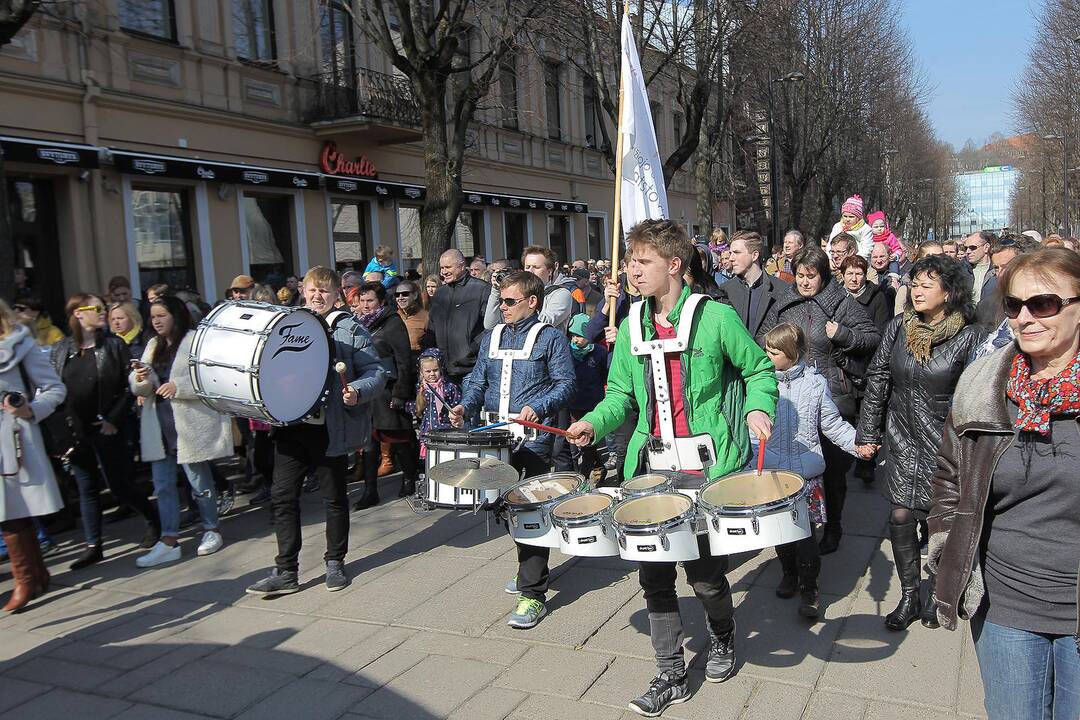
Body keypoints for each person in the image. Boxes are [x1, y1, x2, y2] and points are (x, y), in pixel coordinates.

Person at [567, 219, 777, 717]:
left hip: (706, 468)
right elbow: (619, 395)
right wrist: (594, 424)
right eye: (630, 261)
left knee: (705, 576)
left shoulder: (716, 317)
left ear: (674, 265)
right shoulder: (631, 325)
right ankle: (670, 671)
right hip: (651, 467)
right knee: (654, 575)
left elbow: (758, 368)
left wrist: (757, 407)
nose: (631, 271)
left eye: (642, 262)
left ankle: (723, 635)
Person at [928, 248, 1080, 720]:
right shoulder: (983, 383)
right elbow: (950, 476)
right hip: (1005, 604)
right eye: (1014, 306)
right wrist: (944, 547)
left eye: (1044, 304)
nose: (1025, 318)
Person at [856, 255, 984, 631]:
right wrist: (868, 434)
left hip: (945, 444)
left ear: (950, 292)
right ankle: (910, 594)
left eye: (928, 284)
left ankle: (937, 592)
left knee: (938, 520)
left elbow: (975, 396)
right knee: (899, 515)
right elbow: (878, 378)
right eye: (914, 283)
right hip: (902, 437)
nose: (917, 291)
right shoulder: (899, 327)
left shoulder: (970, 336)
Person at [246, 267, 386, 597]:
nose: (317, 296)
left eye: (325, 291)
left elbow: (376, 372)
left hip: (329, 428)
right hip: (291, 428)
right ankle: (286, 570)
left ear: (337, 294)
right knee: (282, 498)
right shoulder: (288, 326)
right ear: (304, 292)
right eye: (312, 290)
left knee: (334, 499)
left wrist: (356, 390)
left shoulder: (349, 329)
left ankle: (335, 561)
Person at [449, 270, 576, 631]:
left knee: (527, 510)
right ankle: (530, 567)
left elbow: (567, 384)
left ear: (532, 302)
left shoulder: (550, 338)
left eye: (509, 301)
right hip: (492, 435)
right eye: (501, 300)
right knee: (499, 507)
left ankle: (532, 592)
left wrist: (539, 406)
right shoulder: (492, 337)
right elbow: (477, 380)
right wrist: (465, 405)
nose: (502, 307)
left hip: (532, 437)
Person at [759, 245, 881, 555]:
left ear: (823, 275)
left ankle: (834, 525)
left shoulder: (841, 302)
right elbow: (762, 337)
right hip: (790, 396)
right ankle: (795, 530)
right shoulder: (785, 303)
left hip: (834, 396)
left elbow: (871, 337)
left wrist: (843, 334)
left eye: (810, 276)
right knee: (795, 468)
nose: (803, 282)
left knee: (833, 470)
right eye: (799, 275)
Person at [759, 323, 862, 619]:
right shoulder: (762, 384)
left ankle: (809, 587)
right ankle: (788, 574)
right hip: (775, 474)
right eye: (767, 350)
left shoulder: (815, 384)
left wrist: (858, 445)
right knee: (781, 533)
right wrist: (755, 466)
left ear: (790, 354)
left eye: (774, 352)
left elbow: (832, 424)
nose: (767, 356)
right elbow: (754, 433)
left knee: (805, 536)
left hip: (805, 475)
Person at [51, 293, 160, 570]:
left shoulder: (113, 346)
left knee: (119, 484)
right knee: (86, 487)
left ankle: (153, 519)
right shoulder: (61, 348)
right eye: (96, 309)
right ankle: (93, 546)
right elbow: (54, 389)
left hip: (108, 426)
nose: (103, 313)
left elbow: (127, 388)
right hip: (76, 429)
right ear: (78, 313)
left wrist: (113, 418)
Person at [130, 296, 230, 567]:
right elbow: (141, 387)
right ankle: (169, 540)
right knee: (163, 486)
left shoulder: (194, 340)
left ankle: (211, 529)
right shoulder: (153, 345)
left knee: (199, 483)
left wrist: (179, 387)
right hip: (159, 426)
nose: (157, 321)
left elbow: (210, 378)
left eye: (162, 315)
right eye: (153, 316)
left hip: (188, 425)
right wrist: (140, 379)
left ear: (175, 314)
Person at [0, 299, 66, 613]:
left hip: (16, 438)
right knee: (9, 512)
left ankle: (25, 580)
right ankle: (36, 574)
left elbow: (54, 388)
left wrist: (30, 410)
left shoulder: (21, 344)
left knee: (12, 511)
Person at [348, 282, 418, 504]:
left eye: (370, 300)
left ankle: (409, 478)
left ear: (381, 301)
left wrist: (400, 394)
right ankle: (370, 491)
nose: (365, 305)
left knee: (398, 440)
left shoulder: (392, 323)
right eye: (362, 300)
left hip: (389, 391)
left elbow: (404, 360)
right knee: (368, 444)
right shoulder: (358, 324)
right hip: (367, 392)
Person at [423, 249, 491, 386]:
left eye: (448, 267)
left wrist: (471, 350)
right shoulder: (439, 294)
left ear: (461, 266)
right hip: (444, 369)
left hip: (472, 369)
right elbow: (432, 327)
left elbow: (490, 327)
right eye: (441, 268)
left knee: (468, 407)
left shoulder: (482, 289)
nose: (443, 272)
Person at [553, 313, 608, 480]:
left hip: (592, 404)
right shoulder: (567, 352)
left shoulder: (599, 352)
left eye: (580, 335)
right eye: (573, 335)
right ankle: (589, 470)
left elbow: (604, 374)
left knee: (587, 442)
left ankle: (584, 474)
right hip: (573, 404)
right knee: (576, 442)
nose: (575, 339)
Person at [715, 230, 789, 339]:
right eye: (731, 253)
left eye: (737, 252)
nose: (731, 258)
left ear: (754, 255)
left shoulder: (781, 290)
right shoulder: (725, 291)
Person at [484, 246, 576, 333]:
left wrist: (520, 302)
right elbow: (490, 325)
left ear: (549, 271)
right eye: (527, 267)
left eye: (536, 267)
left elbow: (543, 323)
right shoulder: (516, 293)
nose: (530, 271)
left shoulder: (561, 294)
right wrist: (496, 289)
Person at [409, 349, 461, 461]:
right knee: (430, 460)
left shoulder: (450, 387)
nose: (432, 374)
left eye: (435, 370)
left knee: (445, 459)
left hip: (446, 432)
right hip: (427, 432)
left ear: (441, 369)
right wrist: (405, 405)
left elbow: (456, 405)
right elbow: (417, 408)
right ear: (421, 372)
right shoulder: (420, 388)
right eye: (428, 371)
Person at [840, 255, 893, 331]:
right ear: (843, 276)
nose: (854, 279)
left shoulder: (878, 297)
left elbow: (882, 330)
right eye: (850, 274)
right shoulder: (835, 296)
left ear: (865, 277)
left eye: (858, 274)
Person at [828, 195, 874, 259]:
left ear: (858, 218)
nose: (847, 219)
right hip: (837, 257)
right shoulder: (838, 226)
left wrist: (855, 260)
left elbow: (867, 248)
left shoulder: (865, 229)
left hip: (857, 259)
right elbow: (830, 244)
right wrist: (830, 258)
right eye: (845, 216)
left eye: (851, 217)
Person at [394, 280, 428, 360]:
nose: (400, 298)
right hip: (398, 363)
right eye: (397, 295)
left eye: (405, 294)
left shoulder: (426, 317)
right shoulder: (393, 317)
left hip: (417, 362)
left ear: (415, 295)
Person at [962, 231, 996, 304]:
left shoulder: (998, 269)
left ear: (986, 247)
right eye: (965, 248)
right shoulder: (960, 269)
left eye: (972, 247)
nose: (967, 251)